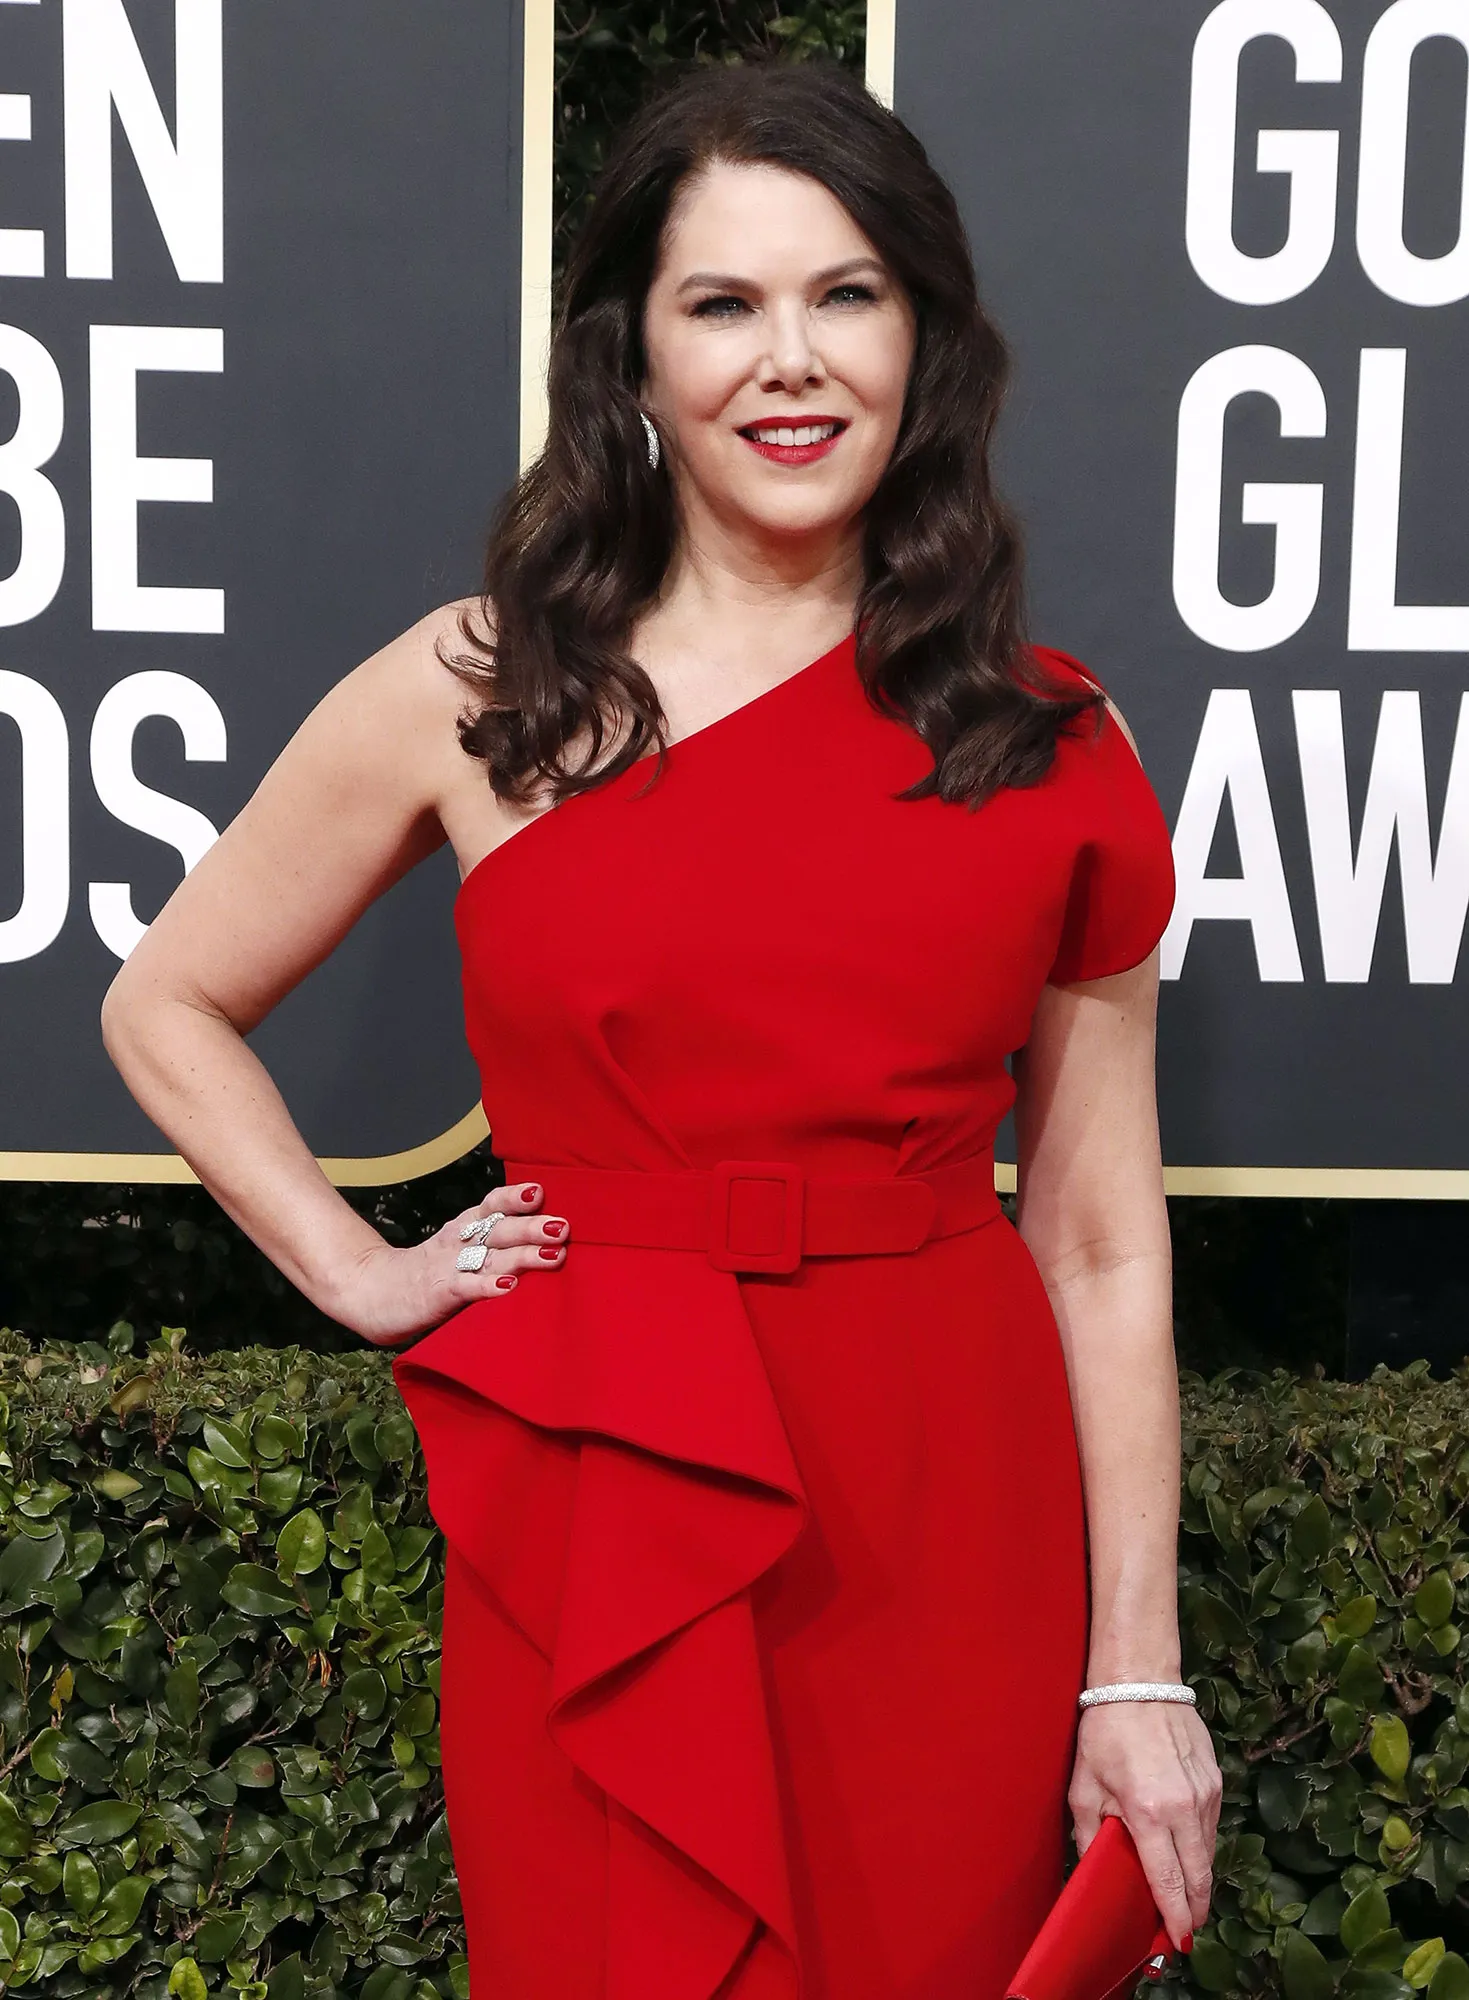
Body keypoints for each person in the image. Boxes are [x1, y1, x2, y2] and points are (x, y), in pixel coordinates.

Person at [101, 50, 1223, 2000]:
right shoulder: (484, 691)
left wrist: (1135, 1672)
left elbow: (1104, 1236)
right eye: (722, 304)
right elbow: (167, 998)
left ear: (925, 341)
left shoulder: (1048, 739)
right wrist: (362, 1269)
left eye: (845, 294)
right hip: (606, 1503)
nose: (790, 360)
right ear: (630, 356)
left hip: (945, 1511)